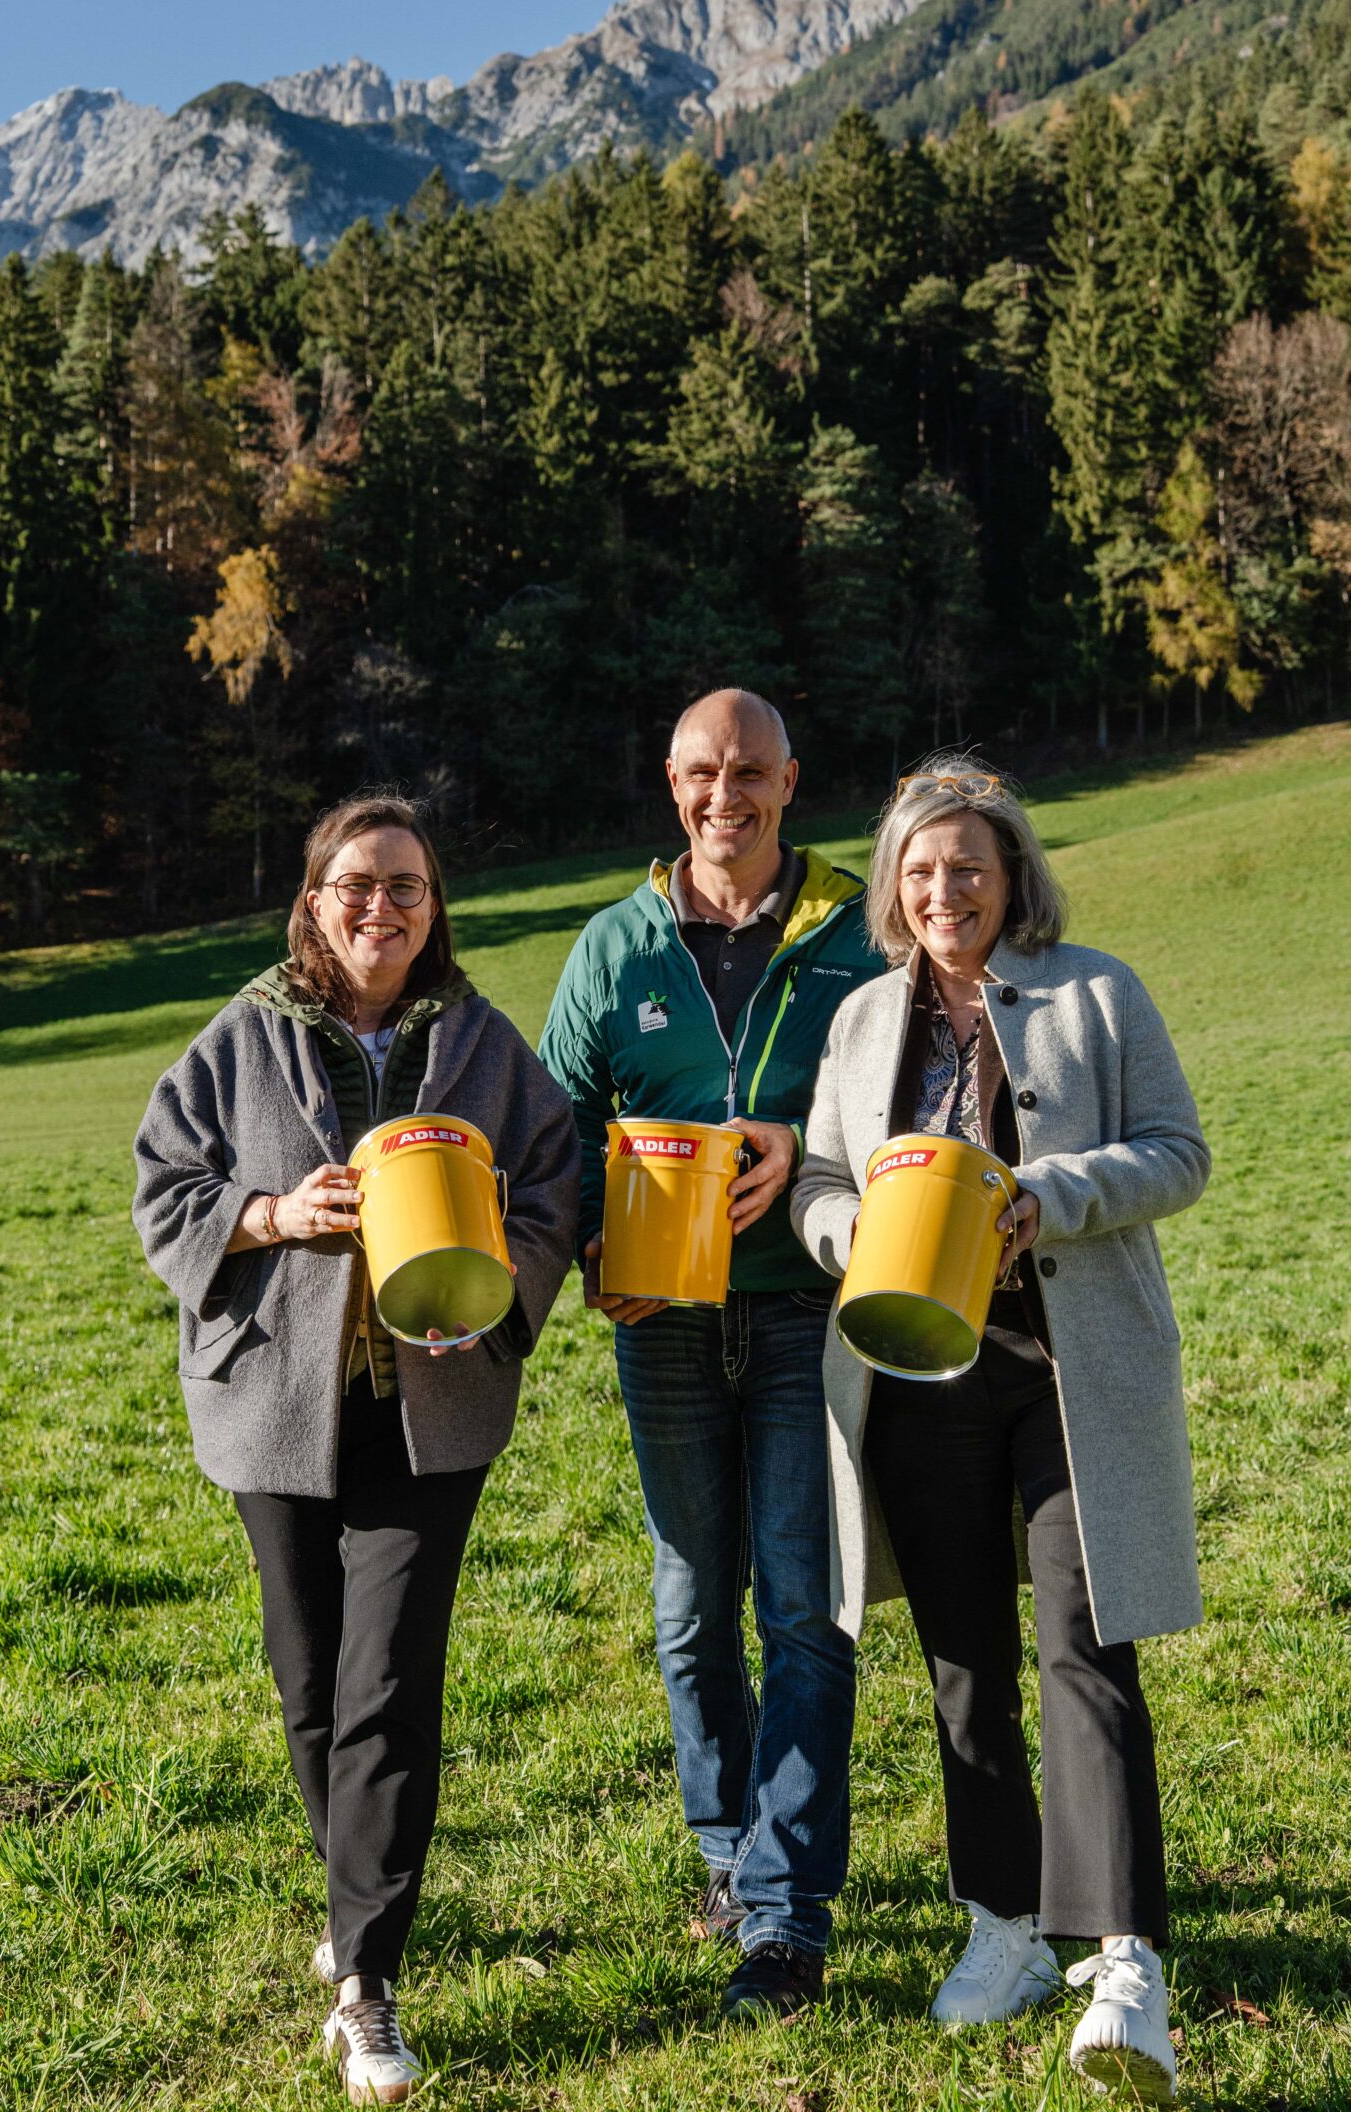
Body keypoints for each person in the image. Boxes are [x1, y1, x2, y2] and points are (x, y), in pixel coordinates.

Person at [133, 794, 579, 2108]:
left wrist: (497, 1292)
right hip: (275, 1407)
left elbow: (557, 1185)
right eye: (357, 885)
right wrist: (269, 1213)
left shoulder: (489, 1046)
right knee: (311, 1682)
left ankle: (367, 1981)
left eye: (408, 888)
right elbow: (164, 1181)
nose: (382, 908)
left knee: (389, 1684)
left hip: (427, 1415)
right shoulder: (243, 1035)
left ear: (435, 910)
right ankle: (356, 1898)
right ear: (314, 902)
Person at [791, 757, 1210, 2105]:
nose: (943, 890)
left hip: (1064, 1368)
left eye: (967, 866)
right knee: (962, 1656)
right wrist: (848, 1229)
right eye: (919, 870)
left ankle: (1126, 1956)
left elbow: (1177, 1150)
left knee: (1088, 1642)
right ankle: (1005, 1923)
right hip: (914, 1368)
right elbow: (811, 1177)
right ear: (893, 889)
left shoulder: (1098, 990)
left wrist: (1053, 1193)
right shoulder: (862, 1023)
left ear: (1011, 874)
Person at [538, 688, 883, 2018]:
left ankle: (787, 1921)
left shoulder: (860, 928)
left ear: (792, 780)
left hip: (809, 1301)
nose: (722, 793)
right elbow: (560, 1114)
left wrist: (814, 1147)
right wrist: (586, 1250)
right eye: (699, 771)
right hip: (663, 1317)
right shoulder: (613, 946)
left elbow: (916, 1088)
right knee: (692, 1604)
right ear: (669, 783)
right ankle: (727, 1851)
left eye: (748, 770)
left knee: (803, 1604)